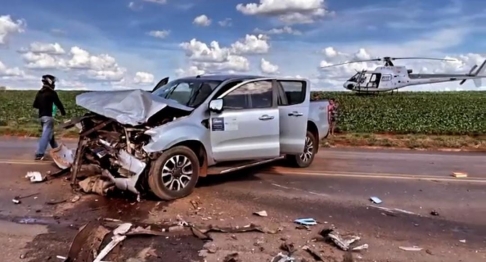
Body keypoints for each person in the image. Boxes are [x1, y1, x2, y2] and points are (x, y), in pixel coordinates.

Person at [32, 74, 66, 160]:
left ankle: (57, 150)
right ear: (50, 83)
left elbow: (35, 105)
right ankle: (39, 154)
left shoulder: (39, 93)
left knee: (50, 136)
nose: (54, 84)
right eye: (53, 82)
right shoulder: (52, 93)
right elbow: (58, 103)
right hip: (48, 117)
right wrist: (63, 112)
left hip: (41, 117)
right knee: (46, 135)